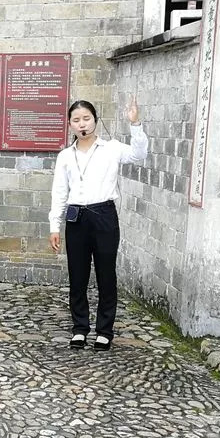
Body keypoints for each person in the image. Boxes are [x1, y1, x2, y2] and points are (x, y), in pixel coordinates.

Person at [49, 98, 147, 351]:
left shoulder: (111, 148)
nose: (82, 124)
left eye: (86, 118)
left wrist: (135, 124)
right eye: (76, 120)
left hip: (104, 215)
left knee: (106, 274)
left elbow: (139, 155)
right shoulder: (65, 156)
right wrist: (54, 226)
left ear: (95, 119)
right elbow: (59, 192)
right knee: (77, 275)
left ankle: (104, 331)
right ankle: (80, 329)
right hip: (76, 218)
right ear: (70, 124)